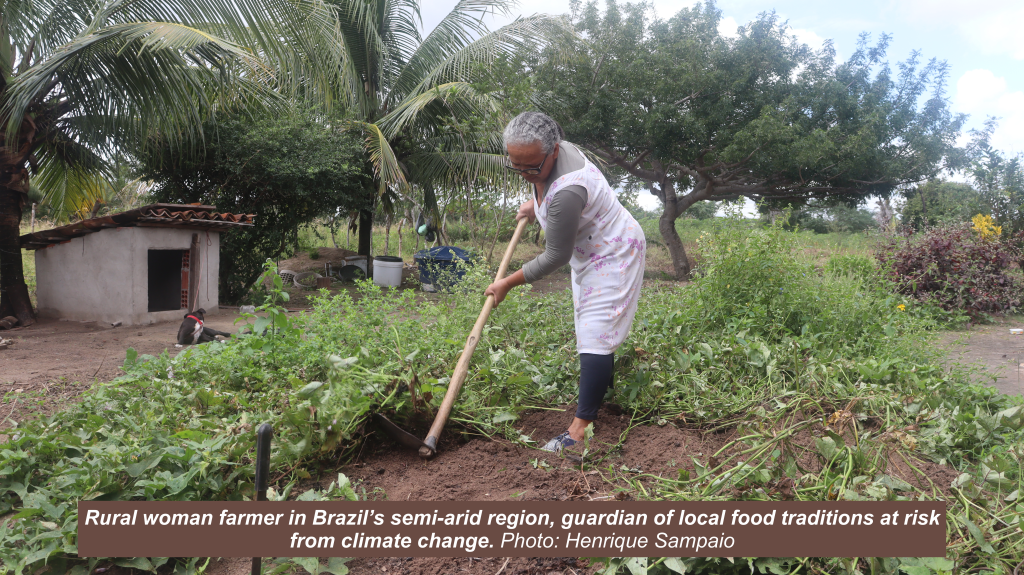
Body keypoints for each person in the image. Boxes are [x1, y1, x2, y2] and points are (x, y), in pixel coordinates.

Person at [485, 112, 646, 453]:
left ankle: (578, 431)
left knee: (595, 334)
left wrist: (506, 284)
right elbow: (544, 185)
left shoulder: (568, 191)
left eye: (532, 167)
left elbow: (555, 256)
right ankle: (604, 393)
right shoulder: (549, 153)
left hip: (613, 250)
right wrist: (535, 202)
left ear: (554, 151)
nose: (526, 173)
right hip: (588, 251)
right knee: (593, 328)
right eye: (517, 167)